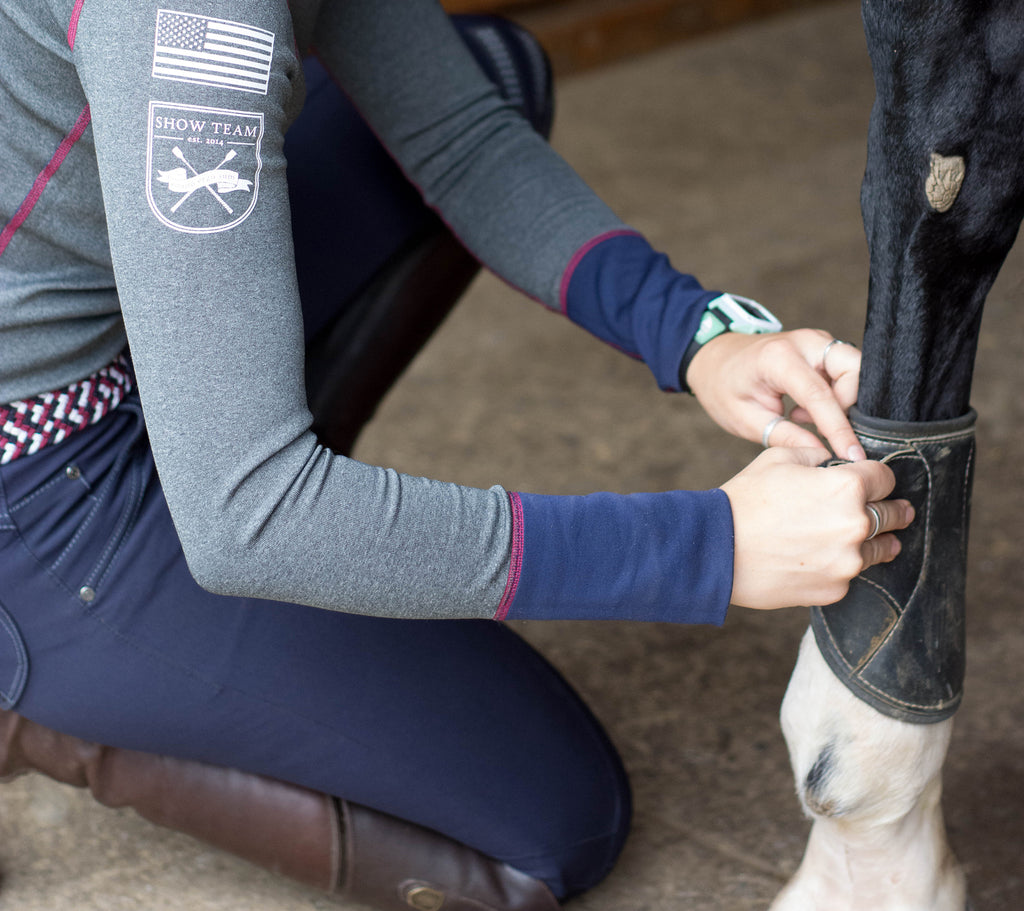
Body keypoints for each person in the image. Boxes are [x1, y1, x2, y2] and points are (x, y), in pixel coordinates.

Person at [0, 1, 913, 909]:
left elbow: (460, 134)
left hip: (124, 329)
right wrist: (709, 547)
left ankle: (259, 482)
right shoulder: (183, 20)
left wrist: (697, 333)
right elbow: (250, 520)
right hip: (39, 488)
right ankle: (35, 708)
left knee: (494, 73)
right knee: (556, 824)